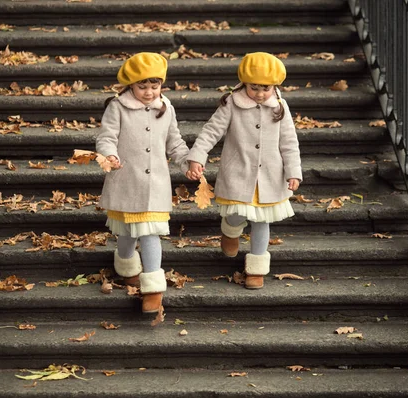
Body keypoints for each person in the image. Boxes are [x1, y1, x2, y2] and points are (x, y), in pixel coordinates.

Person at [186, 52, 302, 290]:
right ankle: (230, 230)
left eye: (265, 88)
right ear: (244, 83)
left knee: (261, 221)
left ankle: (256, 269)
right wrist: (197, 157)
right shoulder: (232, 103)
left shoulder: (280, 106)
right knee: (237, 214)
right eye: (254, 88)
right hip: (239, 171)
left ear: (275, 86)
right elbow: (211, 131)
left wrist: (293, 172)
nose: (260, 94)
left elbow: (289, 141)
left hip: (270, 175)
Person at [97, 52, 189, 313]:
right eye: (142, 87)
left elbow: (175, 142)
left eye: (154, 86)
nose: (149, 92)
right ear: (130, 85)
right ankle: (125, 262)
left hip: (156, 184)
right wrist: (110, 154)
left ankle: (153, 289)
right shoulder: (117, 107)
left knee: (149, 233)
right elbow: (106, 137)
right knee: (126, 232)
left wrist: (187, 162)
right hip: (126, 179)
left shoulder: (166, 107)